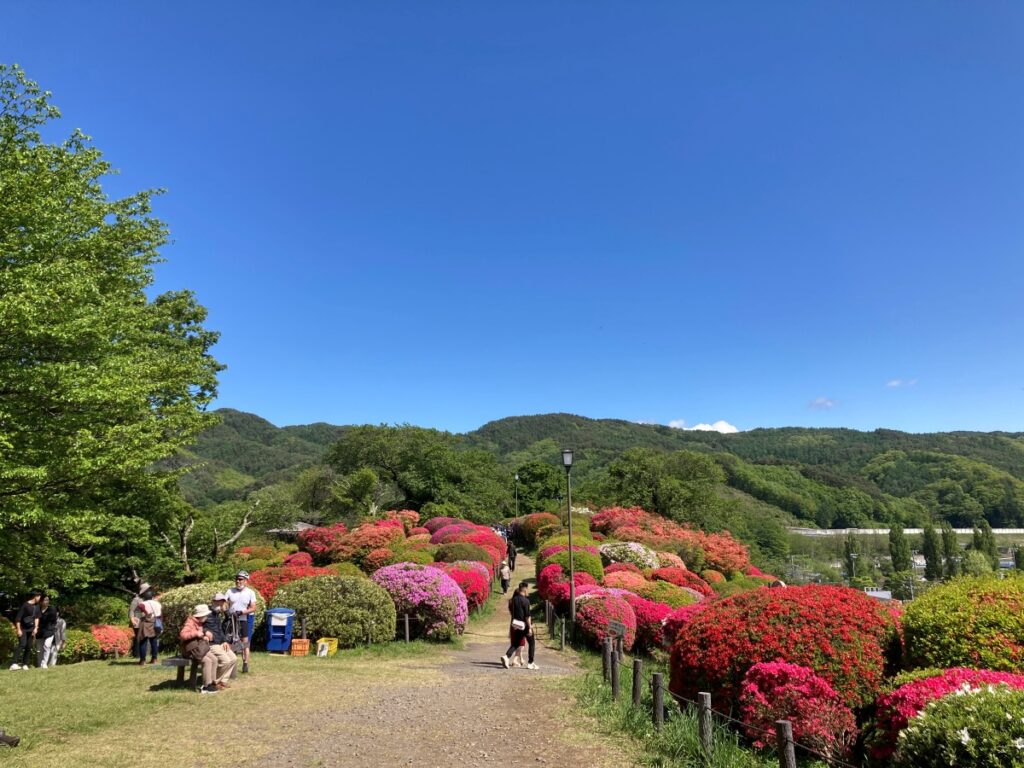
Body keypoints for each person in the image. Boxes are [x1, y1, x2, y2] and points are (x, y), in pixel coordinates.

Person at [179, 604, 218, 694]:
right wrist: (196, 633)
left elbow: (200, 633)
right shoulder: (190, 622)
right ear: (200, 615)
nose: (207, 617)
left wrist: (204, 636)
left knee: (214, 659)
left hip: (198, 649)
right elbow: (183, 634)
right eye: (205, 615)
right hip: (189, 651)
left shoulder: (199, 622)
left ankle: (212, 683)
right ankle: (206, 686)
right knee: (207, 661)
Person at [500, 581, 537, 670]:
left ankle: (507, 656)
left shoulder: (514, 599)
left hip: (516, 624)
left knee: (516, 643)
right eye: (527, 589)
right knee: (531, 642)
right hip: (524, 624)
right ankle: (531, 662)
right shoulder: (526, 601)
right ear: (525, 589)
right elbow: (527, 616)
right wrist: (530, 628)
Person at [204, 593, 238, 689]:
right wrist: (205, 631)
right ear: (213, 601)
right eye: (218, 601)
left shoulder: (217, 614)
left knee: (234, 658)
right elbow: (197, 625)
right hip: (211, 644)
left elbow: (220, 630)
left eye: (222, 601)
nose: (220, 603)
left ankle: (223, 681)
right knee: (225, 661)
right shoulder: (206, 613)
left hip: (219, 643)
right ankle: (215, 682)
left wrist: (224, 641)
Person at [226, 571, 257, 673]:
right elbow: (224, 603)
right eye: (237, 579)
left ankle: (245, 663)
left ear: (246, 581)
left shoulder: (250, 592)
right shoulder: (230, 591)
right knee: (230, 641)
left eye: (241, 579)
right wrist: (225, 611)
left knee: (245, 642)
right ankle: (230, 664)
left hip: (243, 619)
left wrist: (242, 612)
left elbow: (253, 608)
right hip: (231, 619)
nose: (238, 581)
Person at [9, 590, 42, 670]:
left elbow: (37, 617)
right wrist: (18, 629)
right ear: (35, 596)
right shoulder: (25, 605)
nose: (40, 598)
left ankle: (25, 664)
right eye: (39, 596)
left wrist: (36, 628)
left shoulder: (37, 606)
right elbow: (18, 619)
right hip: (23, 629)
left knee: (29, 646)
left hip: (32, 629)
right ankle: (14, 664)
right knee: (22, 644)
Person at [135, 587, 162, 666]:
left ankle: (143, 660)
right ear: (152, 597)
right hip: (156, 622)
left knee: (143, 641)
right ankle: (154, 659)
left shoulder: (142, 604)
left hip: (146, 623)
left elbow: (139, 612)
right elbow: (160, 615)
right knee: (154, 641)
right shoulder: (158, 604)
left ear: (144, 597)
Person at [35, 596, 61, 669]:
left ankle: (44, 663)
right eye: (45, 600)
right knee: (39, 649)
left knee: (47, 646)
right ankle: (40, 665)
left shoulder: (52, 609)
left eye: (48, 600)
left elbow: (54, 621)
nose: (47, 601)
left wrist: (52, 628)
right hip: (39, 631)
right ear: (41, 601)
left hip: (49, 631)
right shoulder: (37, 609)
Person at [128, 582, 150, 657]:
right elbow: (131, 610)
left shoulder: (148, 599)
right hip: (137, 620)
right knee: (138, 637)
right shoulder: (136, 599)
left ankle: (144, 653)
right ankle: (137, 654)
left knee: (145, 637)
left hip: (146, 621)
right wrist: (132, 618)